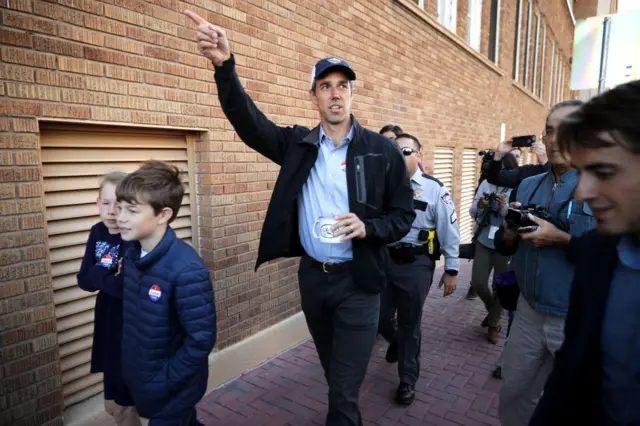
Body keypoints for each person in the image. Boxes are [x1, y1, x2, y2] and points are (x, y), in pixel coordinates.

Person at [185, 10, 415, 426]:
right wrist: (225, 66)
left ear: (352, 95)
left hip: (359, 282)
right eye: (325, 86)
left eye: (343, 86)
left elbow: (403, 216)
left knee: (343, 391)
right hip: (313, 279)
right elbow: (249, 124)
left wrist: (370, 227)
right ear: (314, 97)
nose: (335, 94)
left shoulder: (382, 152)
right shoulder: (298, 145)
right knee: (335, 376)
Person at [530, 81, 640, 426]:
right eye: (584, 171)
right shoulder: (596, 252)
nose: (583, 193)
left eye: (604, 172)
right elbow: (568, 381)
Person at [493, 100, 595, 426]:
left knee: (569, 405)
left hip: (575, 319)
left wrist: (561, 238)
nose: (553, 139)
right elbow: (506, 244)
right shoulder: (527, 184)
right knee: (513, 390)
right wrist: (508, 234)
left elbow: (612, 256)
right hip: (527, 312)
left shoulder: (603, 189)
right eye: (549, 130)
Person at [117, 161, 216, 426]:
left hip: (173, 390)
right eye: (120, 208)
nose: (120, 217)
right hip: (143, 380)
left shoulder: (186, 269)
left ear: (163, 214)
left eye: (132, 210)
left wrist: (163, 380)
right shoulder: (132, 255)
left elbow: (201, 340)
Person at [378, 133, 459, 405]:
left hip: (416, 265)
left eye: (406, 151)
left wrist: (452, 268)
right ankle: (398, 343)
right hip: (384, 260)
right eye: (395, 151)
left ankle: (407, 380)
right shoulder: (381, 187)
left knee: (410, 324)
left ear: (418, 155)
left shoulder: (435, 189)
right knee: (379, 317)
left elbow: (450, 230)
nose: (400, 157)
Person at [77, 172, 141, 426]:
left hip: (131, 328)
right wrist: (108, 276)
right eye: (105, 203)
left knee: (124, 405)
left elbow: (125, 287)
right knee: (113, 406)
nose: (112, 211)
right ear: (97, 204)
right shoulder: (97, 232)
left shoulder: (133, 238)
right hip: (107, 323)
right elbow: (83, 281)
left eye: (119, 204)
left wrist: (97, 272)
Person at [468, 153, 518, 344]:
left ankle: (493, 324)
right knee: (479, 281)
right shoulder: (486, 184)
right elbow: (472, 212)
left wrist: (505, 208)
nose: (500, 174)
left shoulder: (516, 187)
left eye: (504, 170)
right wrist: (481, 205)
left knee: (501, 286)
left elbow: (516, 218)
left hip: (504, 243)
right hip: (484, 239)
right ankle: (493, 313)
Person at [487, 129, 557, 188]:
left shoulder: (565, 171)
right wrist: (498, 155)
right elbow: (494, 179)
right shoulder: (527, 171)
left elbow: (554, 185)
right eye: (543, 139)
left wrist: (546, 163)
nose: (544, 143)